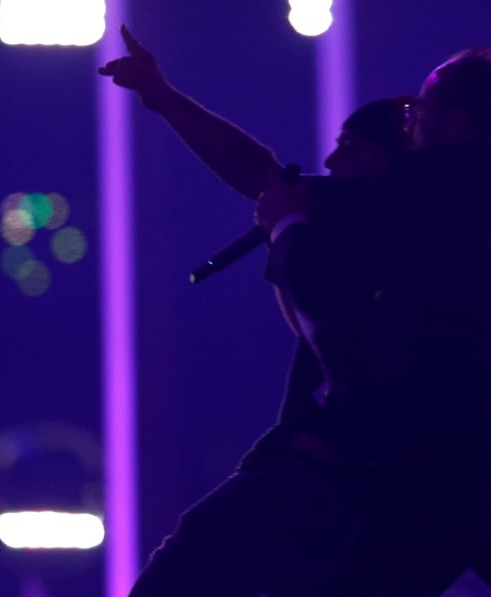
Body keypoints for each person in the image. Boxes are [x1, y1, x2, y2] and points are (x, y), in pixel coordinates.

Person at [253, 48, 491, 595]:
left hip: (446, 462)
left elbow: (328, 287)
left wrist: (286, 229)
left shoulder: (433, 187)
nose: (409, 123)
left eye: (418, 111)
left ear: (455, 121)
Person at [99, 25, 414, 596]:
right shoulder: (419, 225)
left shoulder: (395, 230)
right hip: (355, 483)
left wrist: (290, 230)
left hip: (326, 474)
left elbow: (259, 175)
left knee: (185, 569)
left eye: (350, 148)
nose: (329, 161)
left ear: (387, 163)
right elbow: (258, 175)